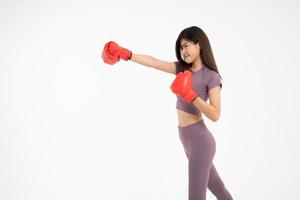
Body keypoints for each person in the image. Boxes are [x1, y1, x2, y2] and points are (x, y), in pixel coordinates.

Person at [101, 26, 233, 200]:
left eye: (186, 45)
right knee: (219, 189)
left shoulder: (211, 76)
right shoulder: (182, 69)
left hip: (201, 141)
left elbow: (215, 114)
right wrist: (127, 54)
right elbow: (155, 62)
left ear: (199, 44)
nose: (183, 51)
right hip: (187, 140)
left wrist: (191, 95)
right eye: (180, 47)